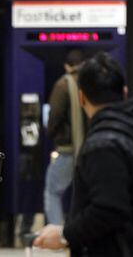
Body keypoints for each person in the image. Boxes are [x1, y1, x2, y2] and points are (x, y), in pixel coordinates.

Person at [34, 52, 133, 256]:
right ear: (125, 93)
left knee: (52, 190)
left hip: (115, 248)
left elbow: (109, 209)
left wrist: (65, 234)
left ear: (82, 97)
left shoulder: (103, 145)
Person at [44, 49, 86, 225]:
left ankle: (57, 232)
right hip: (90, 148)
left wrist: (51, 134)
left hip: (68, 149)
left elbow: (55, 117)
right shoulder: (91, 82)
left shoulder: (63, 84)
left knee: (53, 192)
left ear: (66, 66)